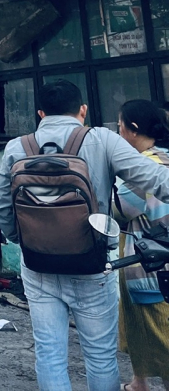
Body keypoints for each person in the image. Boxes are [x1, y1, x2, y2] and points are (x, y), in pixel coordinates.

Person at [0, 80, 169, 391]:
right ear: (83, 110)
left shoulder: (17, 147)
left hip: (37, 265)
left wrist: (23, 240)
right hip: (92, 266)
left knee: (49, 353)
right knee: (100, 356)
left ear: (40, 113)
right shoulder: (102, 139)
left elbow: (0, 205)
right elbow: (154, 178)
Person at [114, 100, 169, 391]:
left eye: (120, 125)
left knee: (158, 329)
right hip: (157, 261)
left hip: (150, 266)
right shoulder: (165, 156)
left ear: (132, 130)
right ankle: (139, 382)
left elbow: (119, 209)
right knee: (140, 326)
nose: (118, 131)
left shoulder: (145, 167)